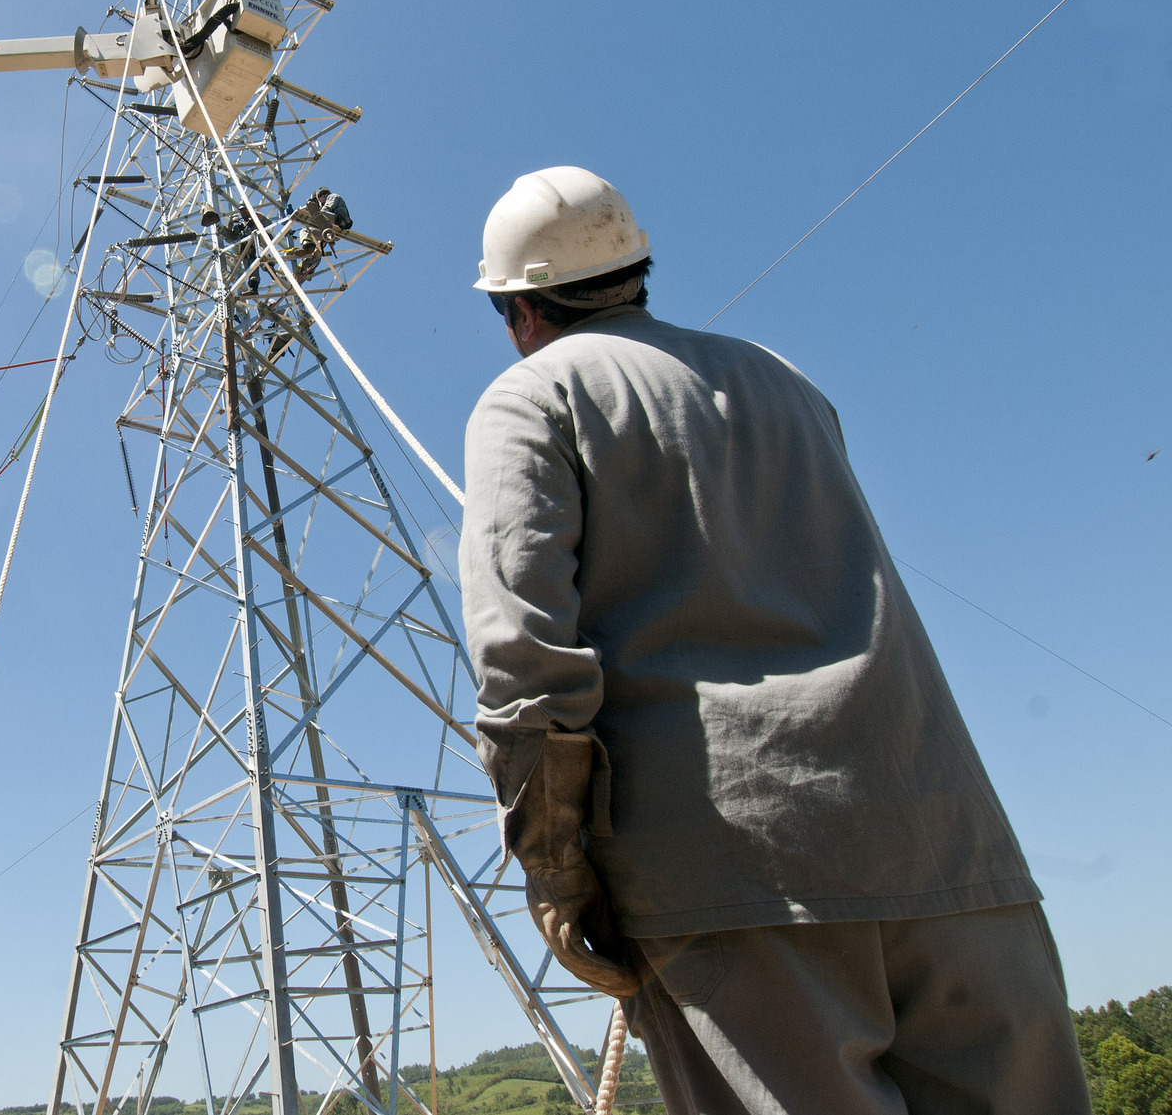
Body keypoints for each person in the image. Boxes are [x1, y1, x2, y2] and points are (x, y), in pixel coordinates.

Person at [458, 167, 1089, 1114]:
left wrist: (559, 875)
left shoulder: (530, 397)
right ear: (637, 274)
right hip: (954, 854)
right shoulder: (784, 379)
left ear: (517, 309)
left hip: (739, 881)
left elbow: (526, 667)